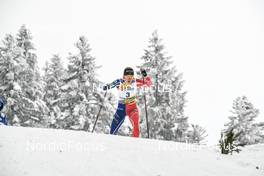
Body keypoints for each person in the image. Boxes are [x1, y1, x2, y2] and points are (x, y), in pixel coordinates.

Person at [103, 67, 152, 137]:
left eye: (131, 76)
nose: (129, 78)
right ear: (124, 76)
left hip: (132, 108)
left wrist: (144, 74)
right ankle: (111, 143)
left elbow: (149, 83)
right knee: (112, 131)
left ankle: (135, 143)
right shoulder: (119, 82)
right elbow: (108, 86)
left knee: (136, 123)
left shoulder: (135, 82)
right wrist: (106, 87)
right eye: (127, 76)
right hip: (121, 109)